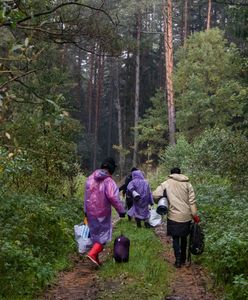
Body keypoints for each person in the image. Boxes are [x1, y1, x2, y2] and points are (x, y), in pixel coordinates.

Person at [153, 167, 200, 268]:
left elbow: (155, 195)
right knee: (184, 237)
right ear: (180, 174)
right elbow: (192, 201)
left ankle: (177, 261)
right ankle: (183, 259)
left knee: (175, 238)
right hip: (186, 216)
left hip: (173, 216)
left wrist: (161, 199)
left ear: (171, 174)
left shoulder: (166, 183)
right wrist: (195, 215)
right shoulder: (188, 184)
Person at [84, 157, 126, 266]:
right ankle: (92, 254)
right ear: (112, 169)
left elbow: (86, 196)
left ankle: (96, 260)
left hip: (90, 212)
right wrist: (121, 211)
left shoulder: (90, 178)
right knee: (103, 237)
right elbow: (113, 197)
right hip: (102, 213)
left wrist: (85, 210)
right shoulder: (109, 181)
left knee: (95, 236)